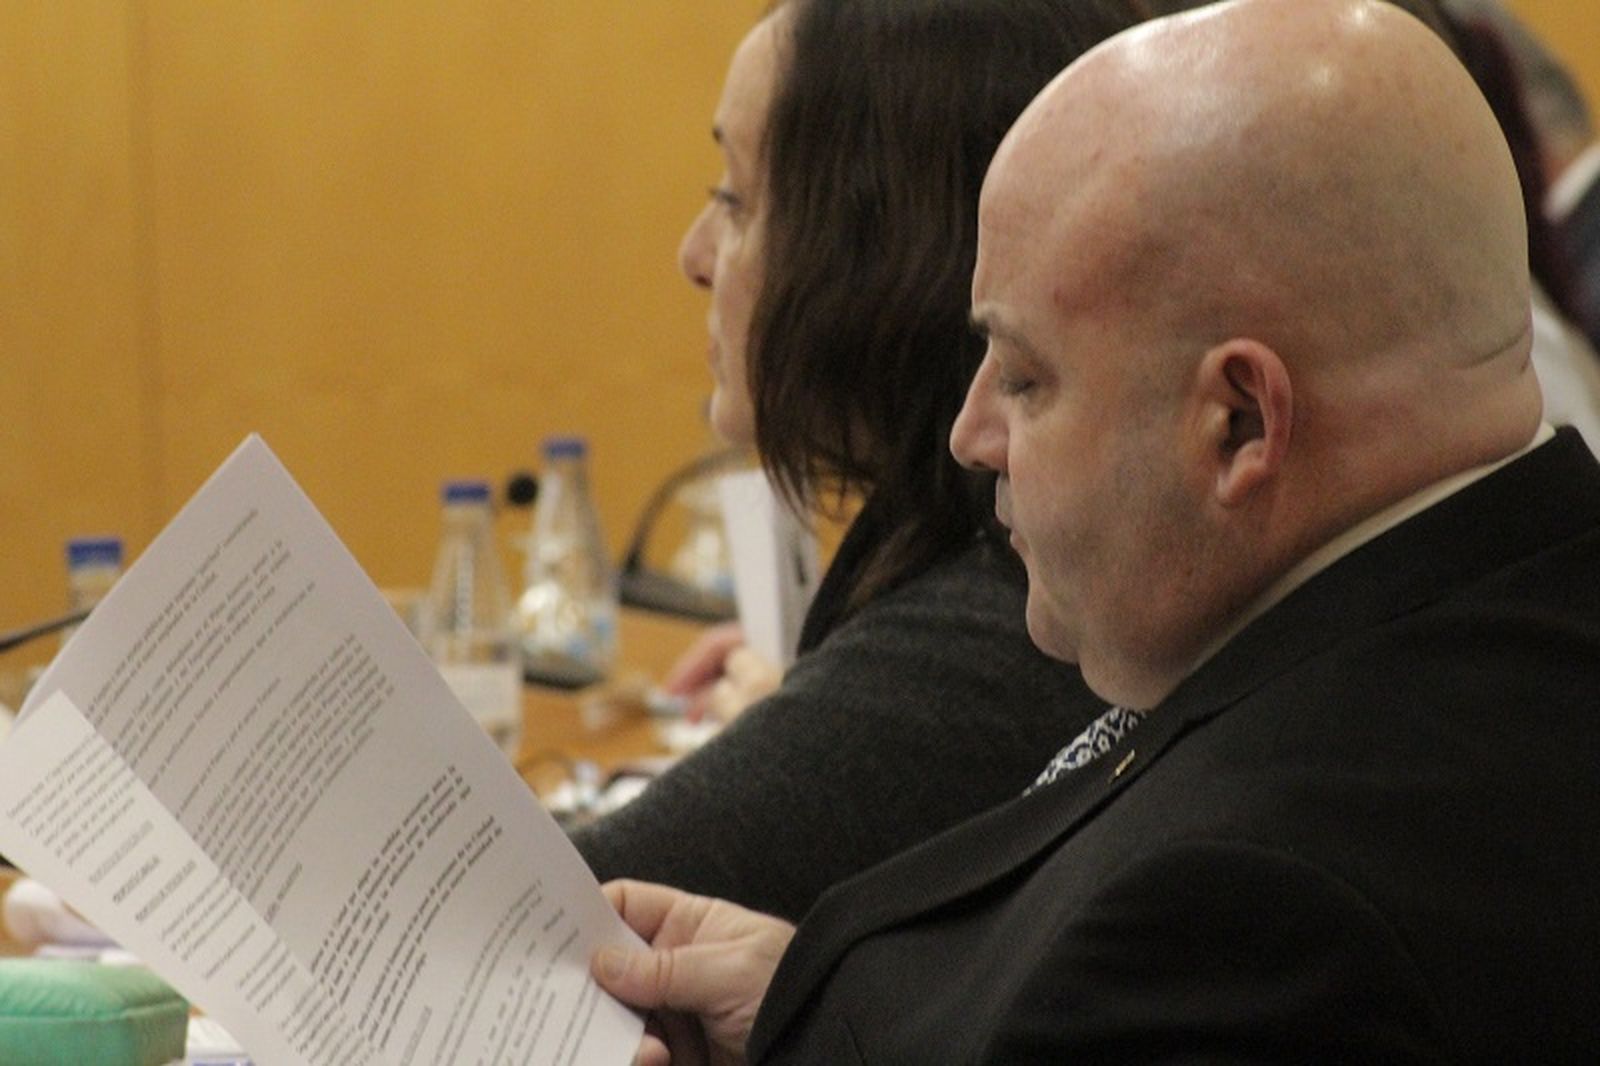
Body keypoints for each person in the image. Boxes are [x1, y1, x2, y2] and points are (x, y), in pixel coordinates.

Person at [588, 0, 1600, 1060]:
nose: (972, 433)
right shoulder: (1484, 602)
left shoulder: (1253, 909)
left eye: (1024, 377)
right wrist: (818, 1010)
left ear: (1240, 421)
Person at [568, 0, 1143, 922]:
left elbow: (527, 915)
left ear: (879, 246)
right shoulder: (973, 562)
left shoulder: (1016, 614)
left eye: (736, 198)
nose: (695, 256)